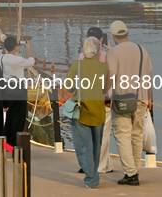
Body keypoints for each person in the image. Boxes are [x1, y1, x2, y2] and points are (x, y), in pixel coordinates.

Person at [105, 21, 152, 186]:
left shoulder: (113, 52)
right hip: (141, 99)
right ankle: (136, 170)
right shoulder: (142, 50)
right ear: (128, 32)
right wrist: (150, 99)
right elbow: (148, 77)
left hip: (121, 100)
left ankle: (131, 174)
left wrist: (104, 92)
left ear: (112, 36)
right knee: (137, 135)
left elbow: (111, 75)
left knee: (122, 135)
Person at [65, 37, 108, 189]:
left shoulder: (78, 65)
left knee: (84, 148)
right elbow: (105, 89)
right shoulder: (104, 67)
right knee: (96, 147)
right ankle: (93, 174)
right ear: (98, 50)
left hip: (81, 111)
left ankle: (91, 179)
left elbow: (69, 87)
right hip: (98, 111)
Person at [79, 27, 113, 174]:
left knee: (88, 133)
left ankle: (92, 163)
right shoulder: (107, 56)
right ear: (101, 40)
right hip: (103, 97)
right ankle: (101, 165)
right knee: (103, 133)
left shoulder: (82, 57)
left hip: (87, 98)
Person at [0, 37, 34, 146]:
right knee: (18, 120)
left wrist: (14, 47)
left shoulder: (2, 58)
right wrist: (28, 48)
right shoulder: (18, 60)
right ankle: (15, 146)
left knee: (9, 119)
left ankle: (6, 145)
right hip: (19, 91)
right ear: (15, 47)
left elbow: (9, 53)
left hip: (7, 91)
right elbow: (31, 61)